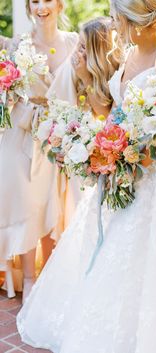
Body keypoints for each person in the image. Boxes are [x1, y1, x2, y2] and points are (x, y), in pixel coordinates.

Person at [17, 1, 156, 352]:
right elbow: (115, 112)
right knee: (118, 254)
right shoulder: (129, 53)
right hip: (129, 167)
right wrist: (101, 147)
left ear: (137, 19)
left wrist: (146, 145)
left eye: (118, 17)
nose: (114, 24)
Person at [0, 0, 79, 303]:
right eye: (34, 1)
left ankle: (49, 275)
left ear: (60, 4)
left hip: (59, 137)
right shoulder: (17, 45)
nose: (41, 7)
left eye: (47, 0)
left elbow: (86, 87)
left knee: (54, 206)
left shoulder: (74, 42)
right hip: (22, 136)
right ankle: (30, 279)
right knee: (25, 205)